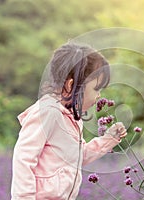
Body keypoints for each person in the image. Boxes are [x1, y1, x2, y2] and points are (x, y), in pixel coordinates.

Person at [11, 42, 127, 200]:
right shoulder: (48, 112)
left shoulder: (72, 118)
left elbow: (79, 156)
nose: (99, 95)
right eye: (96, 89)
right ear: (71, 85)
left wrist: (109, 139)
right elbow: (23, 158)